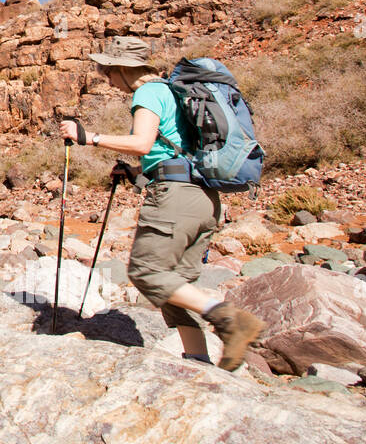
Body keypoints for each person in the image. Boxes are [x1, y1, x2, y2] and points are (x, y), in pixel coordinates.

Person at [59, 35, 264, 371]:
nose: (105, 78)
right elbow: (169, 151)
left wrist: (88, 138)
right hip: (202, 199)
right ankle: (197, 363)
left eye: (108, 71)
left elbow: (142, 142)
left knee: (147, 273)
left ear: (124, 68)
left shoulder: (148, 92)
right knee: (175, 288)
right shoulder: (173, 92)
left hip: (175, 200)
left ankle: (229, 319)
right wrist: (136, 172)